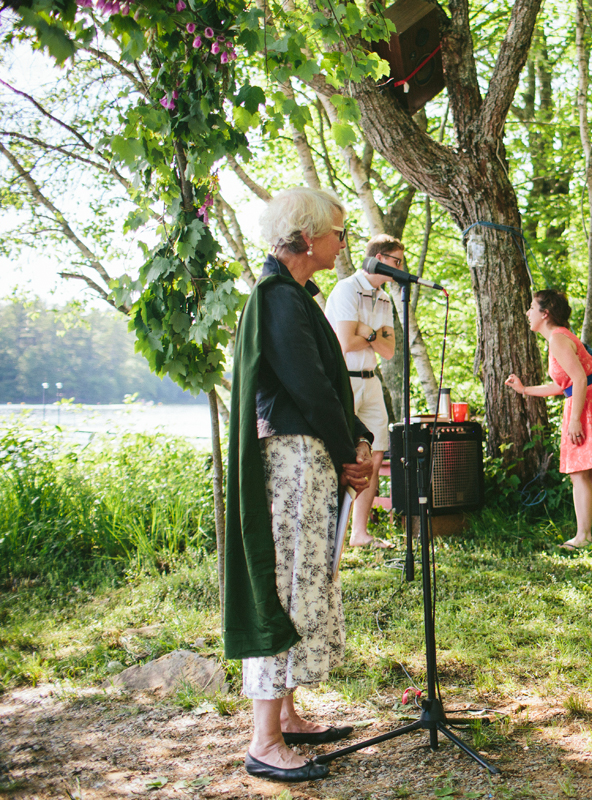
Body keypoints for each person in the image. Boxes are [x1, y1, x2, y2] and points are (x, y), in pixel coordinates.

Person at [224, 187, 374, 783]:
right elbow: (309, 387)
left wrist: (356, 438)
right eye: (338, 232)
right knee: (285, 585)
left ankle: (285, 715)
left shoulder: (293, 297)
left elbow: (323, 387)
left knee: (303, 580)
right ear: (308, 237)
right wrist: (349, 451)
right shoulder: (278, 298)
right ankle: (263, 741)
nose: (344, 243)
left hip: (305, 455)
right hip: (289, 458)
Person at [505, 289, 592, 550]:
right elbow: (564, 385)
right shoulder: (558, 338)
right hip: (587, 398)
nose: (528, 313)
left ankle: (583, 536)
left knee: (578, 473)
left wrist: (575, 420)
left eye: (531, 307)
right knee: (590, 472)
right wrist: (525, 390)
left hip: (587, 402)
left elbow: (580, 379)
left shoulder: (558, 339)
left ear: (545, 313)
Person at [323, 233, 402, 549]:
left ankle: (360, 533)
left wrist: (364, 332)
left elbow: (389, 350)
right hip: (345, 379)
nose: (400, 267)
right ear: (380, 258)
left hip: (372, 380)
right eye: (396, 261)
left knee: (377, 448)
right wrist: (374, 334)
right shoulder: (346, 288)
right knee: (340, 452)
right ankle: (333, 533)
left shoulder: (385, 297)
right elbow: (344, 341)